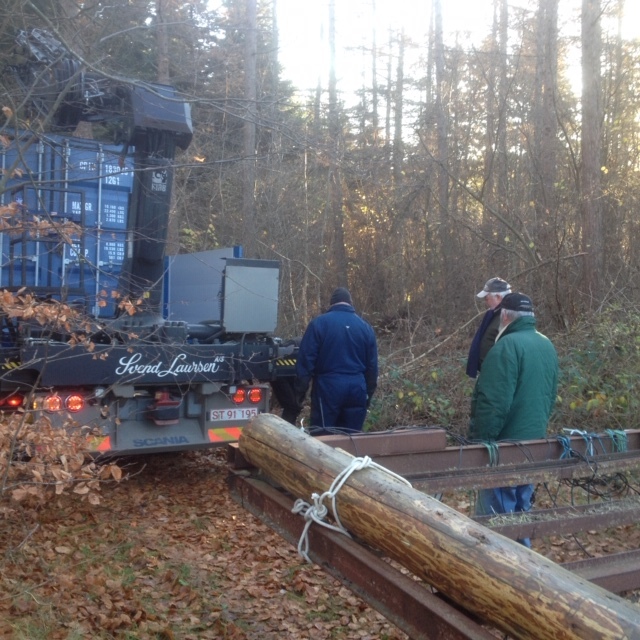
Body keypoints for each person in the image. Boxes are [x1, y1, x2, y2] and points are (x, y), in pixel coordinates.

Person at [469, 292, 558, 547]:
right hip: (534, 445)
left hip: (504, 448)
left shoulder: (505, 347)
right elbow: (550, 395)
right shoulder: (546, 345)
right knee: (521, 510)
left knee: (495, 517)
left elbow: (492, 404)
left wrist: (480, 445)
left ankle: (496, 564)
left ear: (505, 316)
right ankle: (523, 561)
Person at [295, 287, 378, 434]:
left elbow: (306, 361)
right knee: (352, 437)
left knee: (323, 437)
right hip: (357, 387)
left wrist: (300, 392)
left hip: (328, 387)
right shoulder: (365, 328)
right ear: (350, 303)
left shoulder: (319, 324)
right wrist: (368, 394)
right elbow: (372, 367)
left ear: (331, 303)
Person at [466, 277, 511, 378]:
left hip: (497, 374)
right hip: (488, 371)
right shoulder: (494, 314)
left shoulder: (506, 318)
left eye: (487, 298)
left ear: (498, 297)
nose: (486, 302)